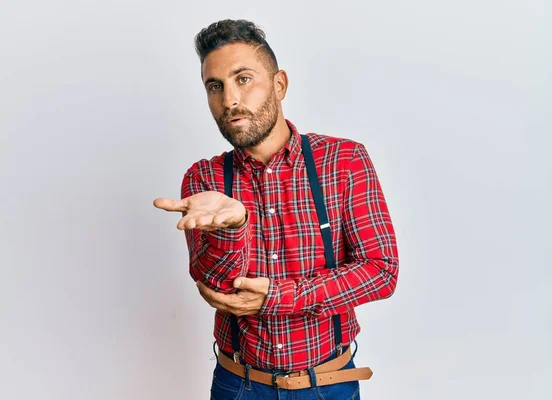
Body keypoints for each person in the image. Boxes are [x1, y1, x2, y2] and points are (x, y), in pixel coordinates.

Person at [154, 19, 399, 400]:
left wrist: (278, 296)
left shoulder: (344, 160)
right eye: (214, 86)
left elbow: (381, 271)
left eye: (243, 78)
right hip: (239, 384)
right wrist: (233, 226)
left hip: (327, 384)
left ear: (279, 84)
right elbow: (215, 286)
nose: (230, 100)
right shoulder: (204, 178)